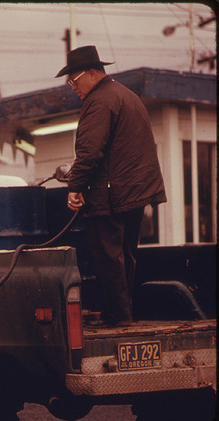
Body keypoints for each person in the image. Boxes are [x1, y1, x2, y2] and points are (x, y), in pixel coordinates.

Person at [55, 45, 167, 326]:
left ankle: (118, 319)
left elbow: (90, 152)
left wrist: (74, 186)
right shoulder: (126, 95)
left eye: (74, 80)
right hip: (135, 193)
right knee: (125, 258)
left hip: (111, 195)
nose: (72, 87)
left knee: (108, 260)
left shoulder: (98, 101)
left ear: (92, 73)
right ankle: (122, 315)